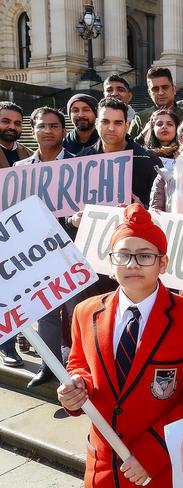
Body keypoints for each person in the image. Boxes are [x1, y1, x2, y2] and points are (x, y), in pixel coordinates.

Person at [57, 203, 183, 487]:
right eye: (124, 255)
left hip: (161, 468)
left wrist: (153, 451)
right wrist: (79, 386)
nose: (132, 264)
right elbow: (80, 363)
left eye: (144, 256)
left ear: (162, 263)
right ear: (111, 261)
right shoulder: (85, 311)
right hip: (103, 466)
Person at [14, 107, 74, 386]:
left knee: (76, 312)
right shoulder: (19, 171)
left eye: (54, 126)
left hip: (73, 250)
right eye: (42, 126)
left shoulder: (81, 166)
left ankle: (77, 369)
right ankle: (49, 366)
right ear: (34, 130)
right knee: (45, 312)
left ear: (64, 131)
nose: (48, 131)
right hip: (38, 253)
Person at [77, 97, 161, 209]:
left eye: (118, 123)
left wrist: (143, 209)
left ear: (127, 126)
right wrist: (73, 221)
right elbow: (69, 214)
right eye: (105, 122)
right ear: (97, 123)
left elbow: (163, 211)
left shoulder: (149, 161)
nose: (111, 128)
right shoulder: (81, 160)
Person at [0, 101, 32, 367]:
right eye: (5, 121)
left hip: (21, 231)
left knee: (21, 290)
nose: (12, 127)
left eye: (17, 123)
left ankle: (23, 336)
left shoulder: (27, 153)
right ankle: (6, 345)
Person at [128, 67, 183, 144]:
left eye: (165, 87)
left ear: (174, 89)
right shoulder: (140, 118)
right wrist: (142, 135)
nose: (160, 92)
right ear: (149, 93)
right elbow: (128, 148)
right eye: (155, 89)